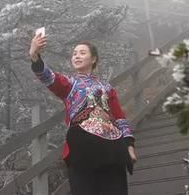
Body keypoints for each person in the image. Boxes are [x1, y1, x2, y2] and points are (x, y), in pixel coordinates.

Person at [29, 33, 136, 195]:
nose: (77, 56)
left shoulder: (107, 88)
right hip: (82, 150)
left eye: (82, 53)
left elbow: (120, 117)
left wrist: (129, 145)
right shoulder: (70, 85)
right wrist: (34, 55)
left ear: (93, 59)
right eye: (74, 53)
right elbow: (48, 77)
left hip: (112, 151)